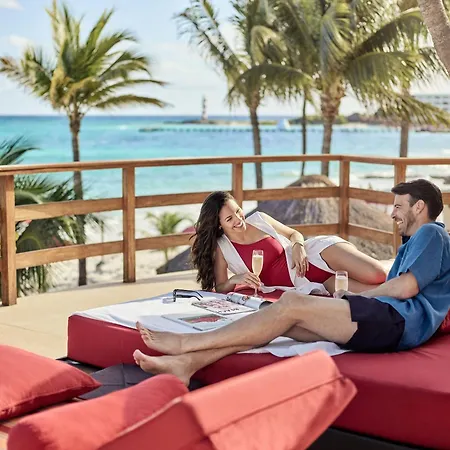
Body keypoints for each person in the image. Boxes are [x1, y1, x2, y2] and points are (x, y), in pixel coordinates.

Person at [133, 179, 450, 385]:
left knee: (290, 304)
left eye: (398, 206)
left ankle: (186, 343)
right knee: (274, 322)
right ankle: (188, 364)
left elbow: (405, 288)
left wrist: (356, 299)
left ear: (419, 207)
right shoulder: (414, 242)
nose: (392, 214)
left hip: (394, 320)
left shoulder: (431, 233)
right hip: (389, 323)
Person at [190, 191, 387, 296]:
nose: (238, 219)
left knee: (379, 275)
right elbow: (221, 287)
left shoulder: (259, 219)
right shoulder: (223, 248)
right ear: (218, 224)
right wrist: (235, 279)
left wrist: (298, 246)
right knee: (381, 293)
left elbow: (294, 234)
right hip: (314, 283)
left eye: (238, 211)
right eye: (229, 219)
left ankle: (406, 280)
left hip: (318, 254)